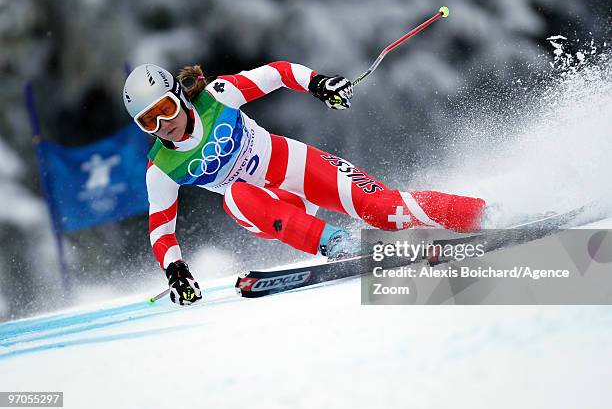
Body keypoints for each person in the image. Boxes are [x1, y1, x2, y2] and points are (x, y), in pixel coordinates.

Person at [123, 62, 485, 305]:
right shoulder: (161, 168)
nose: (162, 124)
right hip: (268, 208)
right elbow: (161, 229)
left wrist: (318, 84)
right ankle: (336, 243)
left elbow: (276, 73)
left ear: (180, 97)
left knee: (385, 211)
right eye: (148, 121)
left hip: (296, 165)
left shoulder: (218, 95)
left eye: (166, 109)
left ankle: (483, 214)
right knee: (234, 194)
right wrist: (176, 270)